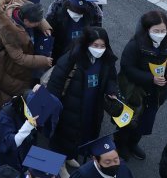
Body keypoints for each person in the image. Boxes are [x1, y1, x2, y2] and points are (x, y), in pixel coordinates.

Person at [47, 26, 120, 160]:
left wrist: (111, 90)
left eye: (102, 46)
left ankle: (70, 157)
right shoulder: (72, 58)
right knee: (64, 138)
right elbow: (55, 83)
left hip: (92, 108)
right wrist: (53, 107)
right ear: (87, 44)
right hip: (69, 108)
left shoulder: (107, 60)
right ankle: (59, 165)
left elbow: (111, 78)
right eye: (95, 45)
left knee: (83, 135)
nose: (99, 49)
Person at [115, 10, 167, 161]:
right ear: (147, 29)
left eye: (163, 30)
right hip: (135, 92)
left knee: (145, 121)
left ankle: (133, 143)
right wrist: (151, 78)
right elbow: (126, 67)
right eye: (156, 31)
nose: (160, 34)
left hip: (157, 94)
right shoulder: (135, 45)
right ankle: (120, 145)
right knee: (127, 122)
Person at [0, 0, 53, 111]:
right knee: (7, 95)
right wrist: (43, 60)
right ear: (26, 21)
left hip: (19, 67)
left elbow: (29, 3)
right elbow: (19, 57)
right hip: (10, 67)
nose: (38, 24)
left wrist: (44, 25)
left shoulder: (20, 8)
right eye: (36, 23)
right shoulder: (11, 32)